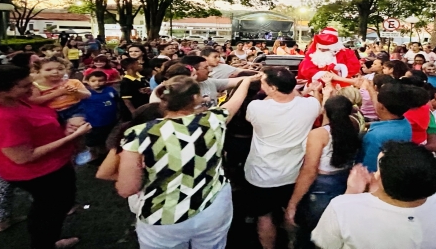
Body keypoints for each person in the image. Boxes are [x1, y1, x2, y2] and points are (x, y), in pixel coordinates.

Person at [116, 74, 257, 249]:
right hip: (213, 208)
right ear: (195, 98)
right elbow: (237, 99)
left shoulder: (138, 133)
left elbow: (126, 189)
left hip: (162, 216)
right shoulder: (214, 120)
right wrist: (246, 81)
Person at [0, 65, 92, 249]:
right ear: (1, 90)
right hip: (39, 172)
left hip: (54, 163)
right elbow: (23, 157)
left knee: (48, 207)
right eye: (24, 85)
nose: (32, 86)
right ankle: (44, 243)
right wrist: (72, 137)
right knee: (50, 210)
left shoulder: (16, 99)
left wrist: (64, 127)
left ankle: (46, 240)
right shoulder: (2, 117)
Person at [311, 142, 436, 249]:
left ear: (382, 179)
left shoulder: (342, 207)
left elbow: (325, 244)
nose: (375, 175)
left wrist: (351, 194)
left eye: (378, 171)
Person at [243, 67, 321, 249]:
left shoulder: (256, 107)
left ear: (272, 88)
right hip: (294, 174)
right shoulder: (310, 105)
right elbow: (312, 104)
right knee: (291, 212)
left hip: (262, 175)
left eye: (263, 82)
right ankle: (292, 242)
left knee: (264, 216)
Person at [285, 95, 361, 249]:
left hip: (322, 187)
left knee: (314, 230)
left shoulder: (318, 134)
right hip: (344, 179)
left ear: (325, 111)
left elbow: (309, 171)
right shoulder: (353, 124)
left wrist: (292, 203)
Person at [357, 83, 414, 171]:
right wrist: (371, 90)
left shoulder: (375, 136)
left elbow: (369, 169)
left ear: (382, 106)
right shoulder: (405, 123)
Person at [80, 71, 119, 160]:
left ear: (106, 81)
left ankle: (103, 155)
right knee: (92, 142)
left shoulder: (110, 90)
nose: (97, 83)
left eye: (100, 80)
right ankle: (93, 156)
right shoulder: (85, 93)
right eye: (93, 81)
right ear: (87, 81)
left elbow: (117, 102)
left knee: (105, 139)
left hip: (109, 122)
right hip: (92, 123)